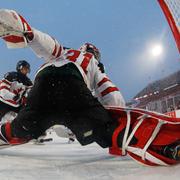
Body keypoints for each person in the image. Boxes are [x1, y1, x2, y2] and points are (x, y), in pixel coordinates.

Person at [0, 9, 179, 166]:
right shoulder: (90, 61)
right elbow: (108, 91)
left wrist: (30, 34)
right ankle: (166, 145)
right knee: (108, 130)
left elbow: (50, 47)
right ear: (94, 53)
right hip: (71, 86)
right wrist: (114, 114)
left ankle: (7, 132)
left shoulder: (64, 51)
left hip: (42, 88)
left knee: (22, 127)